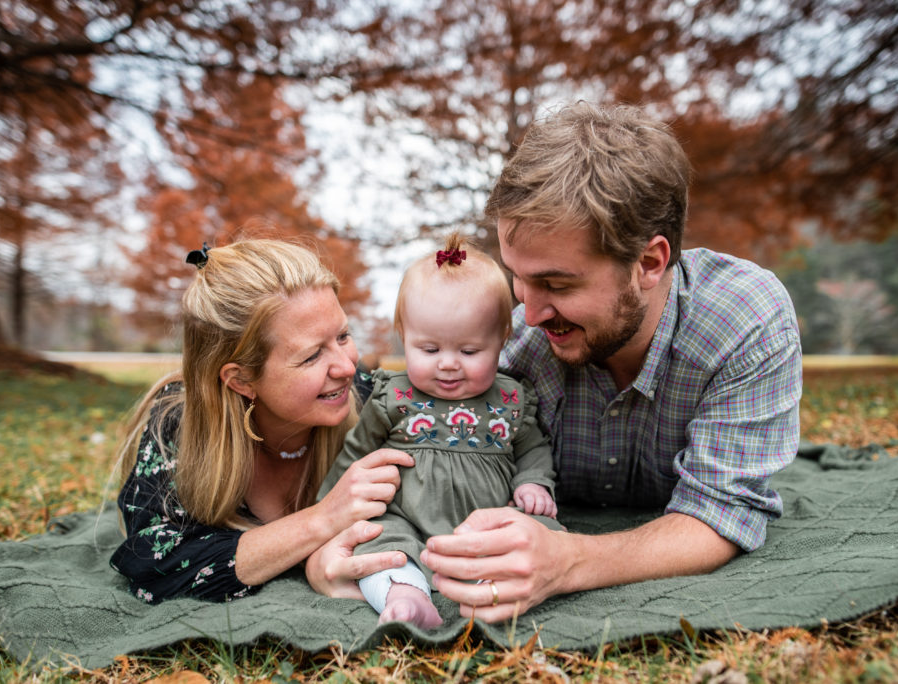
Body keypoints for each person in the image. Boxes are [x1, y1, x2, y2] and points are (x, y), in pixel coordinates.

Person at [308, 102, 803, 622]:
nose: (528, 309)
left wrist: (570, 560)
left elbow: (722, 513)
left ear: (649, 263)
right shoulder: (508, 344)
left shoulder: (743, 323)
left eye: (556, 284)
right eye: (516, 277)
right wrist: (322, 544)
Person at [110, 238, 413, 603]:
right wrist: (321, 522)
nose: (348, 367)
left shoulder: (371, 401)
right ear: (241, 380)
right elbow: (153, 564)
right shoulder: (179, 425)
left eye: (343, 336)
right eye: (312, 356)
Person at [316, 233, 561, 628]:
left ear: (501, 341)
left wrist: (533, 484)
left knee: (535, 535)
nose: (448, 364)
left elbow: (533, 448)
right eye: (429, 350)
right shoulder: (392, 397)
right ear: (405, 336)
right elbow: (355, 455)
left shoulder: (513, 400)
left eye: (468, 352)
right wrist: (328, 507)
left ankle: (489, 588)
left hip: (488, 523)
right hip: (405, 518)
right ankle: (404, 596)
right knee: (380, 544)